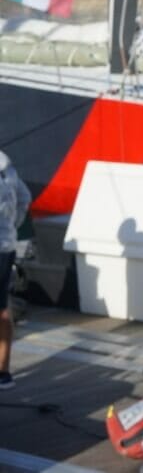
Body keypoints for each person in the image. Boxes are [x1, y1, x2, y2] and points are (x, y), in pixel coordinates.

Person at [0, 150, 32, 391]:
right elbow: (24, 197)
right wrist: (11, 227)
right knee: (2, 309)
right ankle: (4, 372)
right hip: (6, 247)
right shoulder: (7, 167)